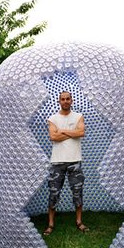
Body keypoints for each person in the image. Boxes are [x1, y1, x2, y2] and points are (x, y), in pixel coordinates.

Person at [43, 91, 89, 235]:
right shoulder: (52, 118)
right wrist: (71, 132)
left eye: (68, 99)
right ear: (59, 101)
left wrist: (61, 131)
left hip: (75, 161)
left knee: (77, 192)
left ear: (72, 100)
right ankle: (50, 224)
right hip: (57, 162)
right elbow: (53, 137)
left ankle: (79, 222)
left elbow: (81, 133)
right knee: (53, 193)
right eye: (62, 99)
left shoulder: (78, 116)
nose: (65, 101)